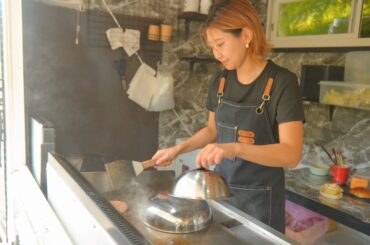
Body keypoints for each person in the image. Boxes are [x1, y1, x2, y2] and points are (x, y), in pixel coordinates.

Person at [151, 0, 304, 233]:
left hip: (261, 203)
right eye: (212, 46)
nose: (216, 54)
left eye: (220, 44)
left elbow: (291, 154)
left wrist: (234, 148)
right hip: (221, 196)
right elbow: (212, 131)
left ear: (246, 35)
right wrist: (177, 150)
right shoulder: (220, 81)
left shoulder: (283, 82)